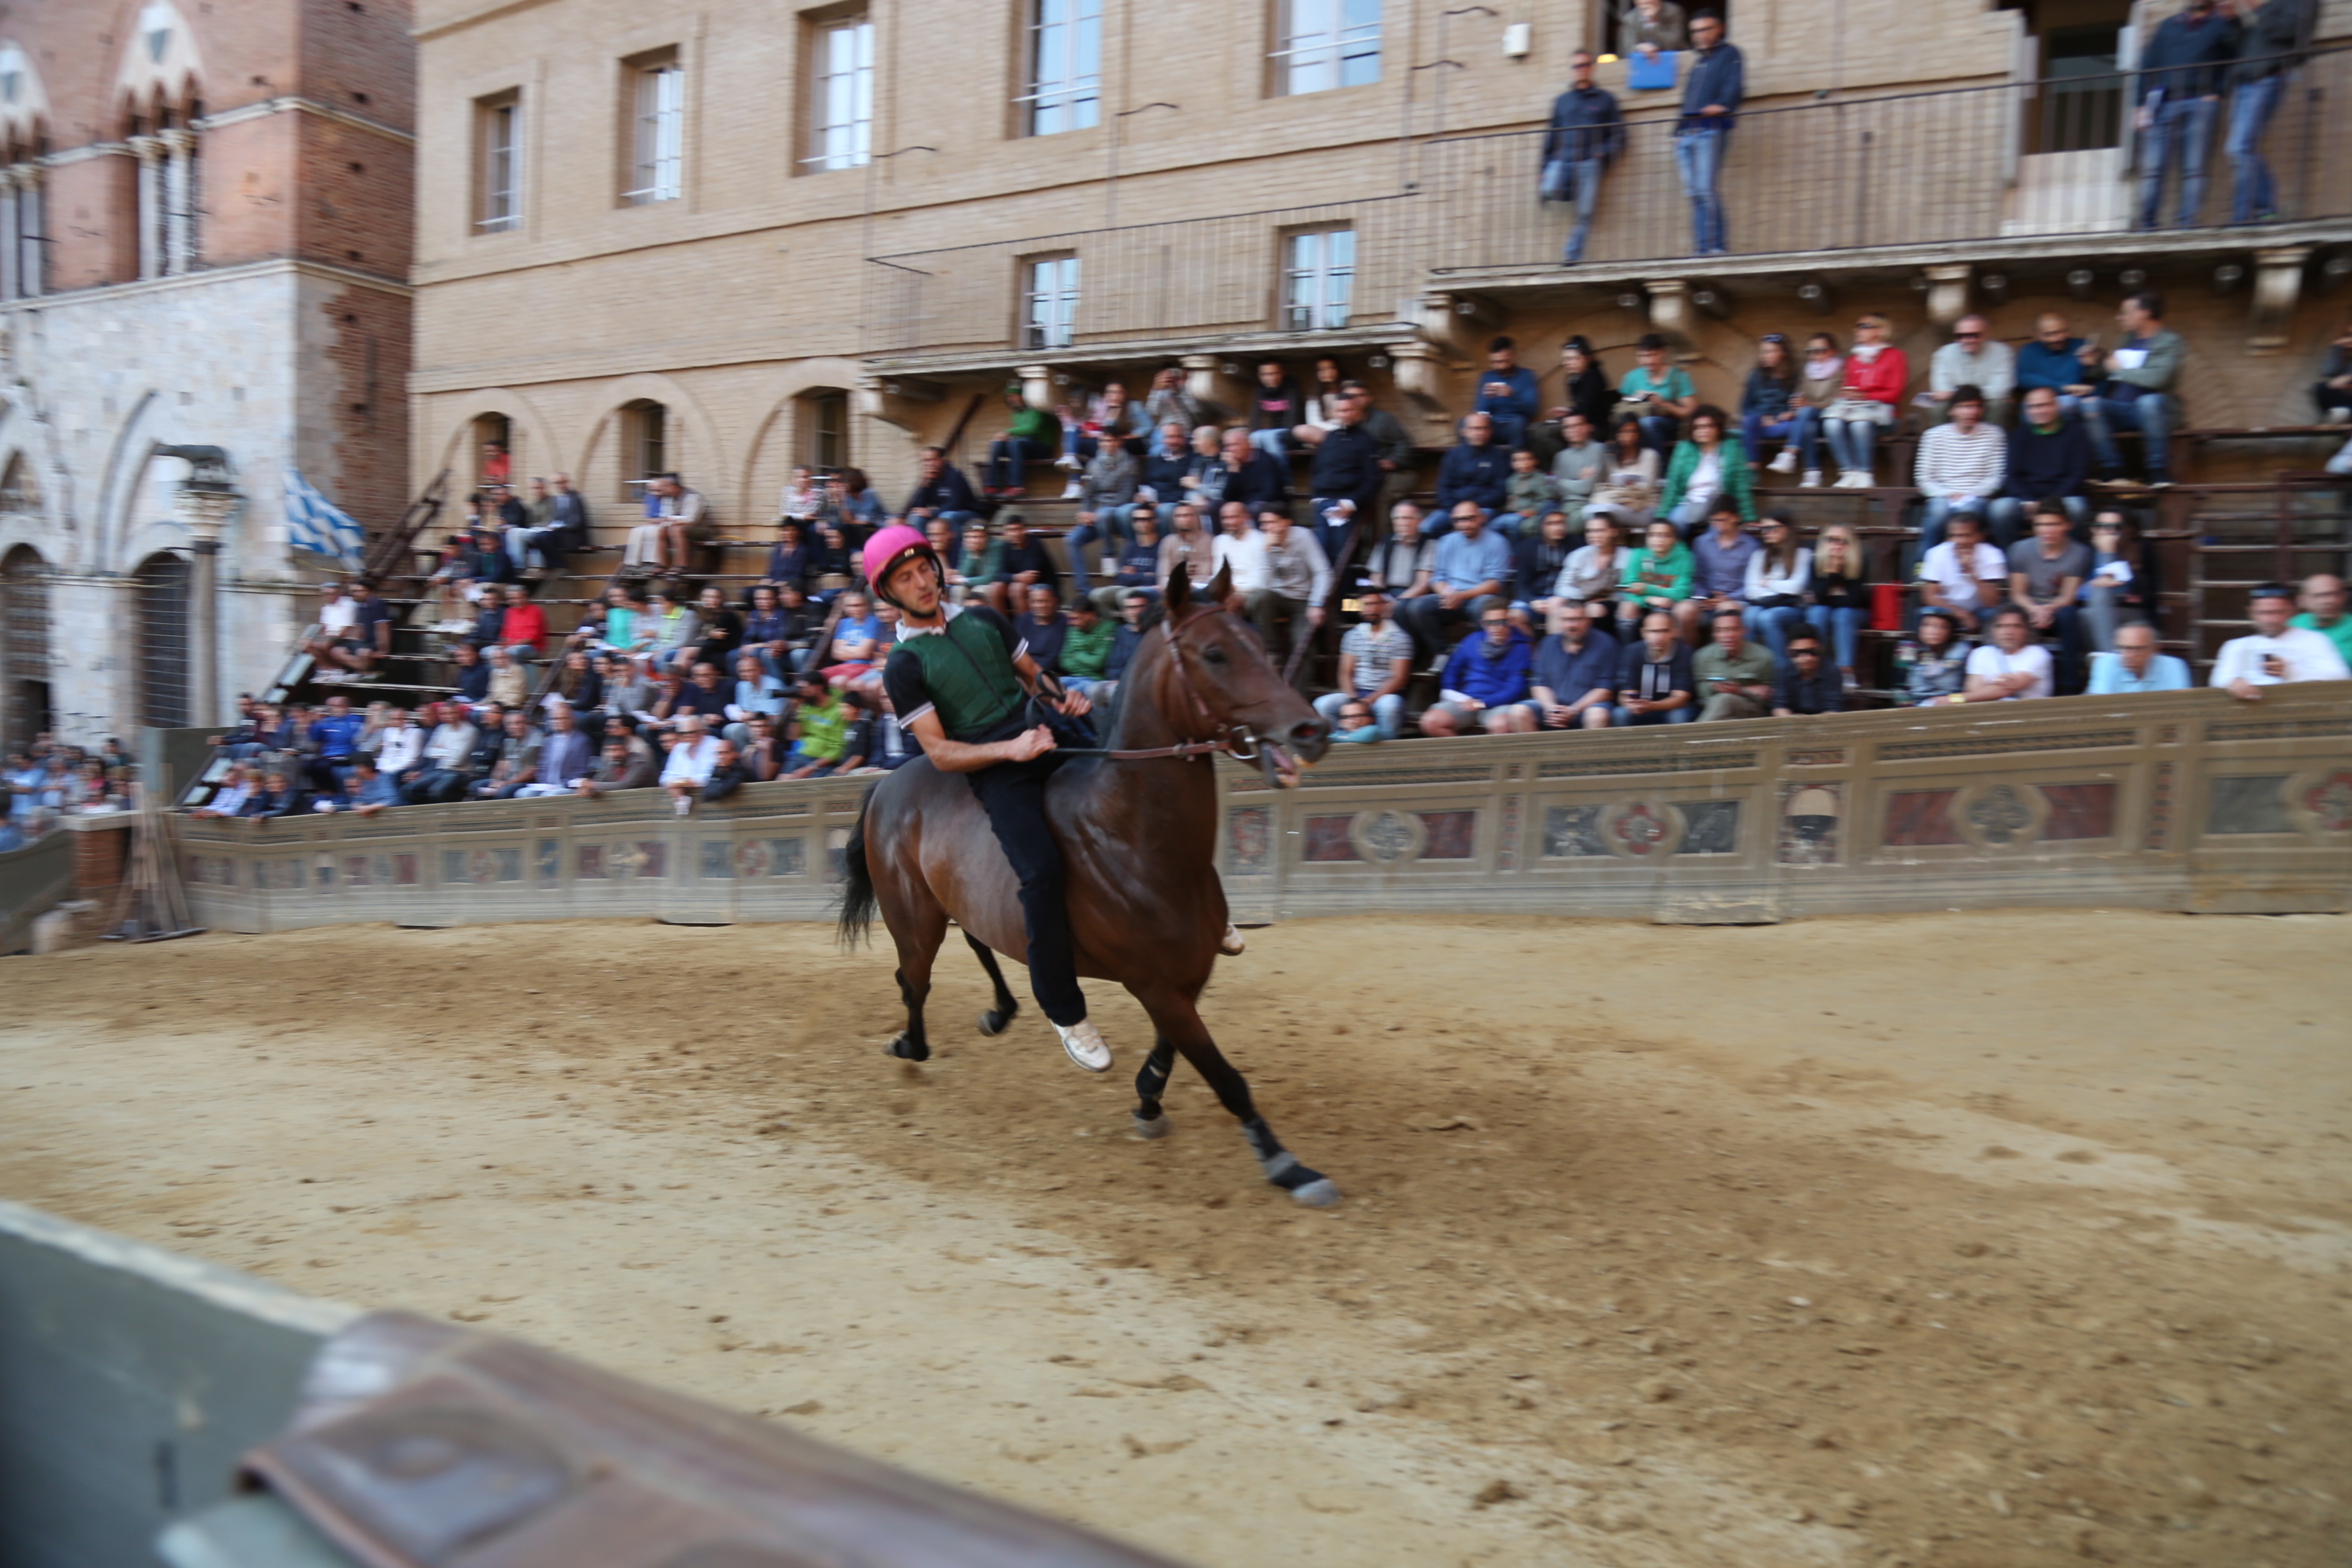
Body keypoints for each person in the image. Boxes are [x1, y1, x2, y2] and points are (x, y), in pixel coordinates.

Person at [866, 524, 1110, 1073]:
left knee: (1128, 787)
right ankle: (1065, 1011)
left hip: (1044, 734)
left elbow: (1032, 675)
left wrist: (1061, 698)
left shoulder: (984, 617)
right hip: (997, 769)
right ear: (890, 594)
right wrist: (1012, 750)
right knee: (1041, 874)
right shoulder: (903, 666)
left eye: (925, 569)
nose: (922, 583)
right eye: (906, 579)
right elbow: (940, 754)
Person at [2135, 0, 2241, 232]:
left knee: (2195, 168)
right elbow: (2147, 65)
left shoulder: (2221, 25)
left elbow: (2235, 59)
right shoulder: (2168, 26)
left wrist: (2218, 92)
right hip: (2164, 103)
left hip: (2201, 102)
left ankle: (2187, 223)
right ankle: (2146, 223)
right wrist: (2140, 105)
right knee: (2153, 168)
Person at [2078, 292, 2186, 487]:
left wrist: (2119, 370)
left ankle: (2157, 471)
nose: (2120, 317)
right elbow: (2111, 372)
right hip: (2121, 410)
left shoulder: (2170, 341)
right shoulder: (2126, 339)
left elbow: (2157, 379)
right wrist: (2094, 363)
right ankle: (2112, 469)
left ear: (2146, 313)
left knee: (2149, 401)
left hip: (2153, 413)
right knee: (2090, 405)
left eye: (2126, 312)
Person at [1394, 501, 1513, 663]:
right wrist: (1447, 594)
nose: (1464, 524)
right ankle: (1442, 652)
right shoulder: (1446, 541)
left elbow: (1496, 584)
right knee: (1416, 607)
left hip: (1481, 596)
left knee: (1483, 608)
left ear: (1482, 518)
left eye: (1470, 518)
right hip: (1452, 595)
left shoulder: (1497, 542)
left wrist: (1460, 596)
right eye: (1458, 520)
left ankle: (1484, 659)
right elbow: (1438, 577)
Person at [2227, 0, 2311, 226]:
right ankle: (2265, 208)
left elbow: (2289, 30)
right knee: (2238, 149)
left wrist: (2257, 9)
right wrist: (2232, 19)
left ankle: (2243, 216)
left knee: (2241, 147)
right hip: (2244, 81)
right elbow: (2238, 44)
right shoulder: (2265, 9)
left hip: (2267, 77)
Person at [1542, 53, 1624, 265]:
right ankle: (1565, 192)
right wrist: (1543, 167)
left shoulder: (1605, 99)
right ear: (1572, 70)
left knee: (1585, 212)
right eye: (1576, 66)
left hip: (1590, 162)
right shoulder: (1563, 101)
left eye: (1585, 65)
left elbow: (1619, 135)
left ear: (1592, 68)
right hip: (1563, 161)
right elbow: (1552, 134)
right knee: (1548, 190)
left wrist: (1603, 153)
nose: (1581, 69)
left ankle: (1572, 256)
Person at [1673, 10, 1742, 255]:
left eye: (1705, 29)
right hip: (1687, 134)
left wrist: (1723, 105)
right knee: (1695, 194)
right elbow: (1687, 100)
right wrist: (1677, 132)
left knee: (1705, 190)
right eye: (1695, 32)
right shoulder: (1699, 63)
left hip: (1711, 130)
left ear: (1719, 29)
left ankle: (1715, 248)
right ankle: (1703, 248)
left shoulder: (1730, 54)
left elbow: (1736, 87)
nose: (1700, 36)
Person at [2212, 581, 2352, 699]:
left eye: (2277, 612)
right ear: (2251, 613)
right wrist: (2233, 683)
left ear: (2291, 611)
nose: (2270, 620)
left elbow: (2340, 677)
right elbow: (2219, 679)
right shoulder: (2236, 646)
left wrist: (2289, 672)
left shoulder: (2315, 640)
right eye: (2263, 613)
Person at [1990, 385, 2093, 546]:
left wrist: (2051, 502)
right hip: (2027, 500)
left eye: (2044, 405)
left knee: (2078, 508)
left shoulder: (2076, 432)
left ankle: (2068, 553)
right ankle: (2012, 555)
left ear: (2057, 406)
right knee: (2000, 509)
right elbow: (2011, 475)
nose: (2039, 411)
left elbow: (2078, 474)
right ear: (2026, 411)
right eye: (2033, 407)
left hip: (2063, 497)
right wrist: (2027, 500)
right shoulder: (2020, 434)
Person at [1244, 508, 1331, 697]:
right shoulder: (1264, 542)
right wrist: (1265, 552)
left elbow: (1323, 572)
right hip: (1278, 597)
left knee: (1302, 645)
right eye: (1263, 524)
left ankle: (1298, 696)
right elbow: (1261, 585)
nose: (1266, 528)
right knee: (1258, 598)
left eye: (1271, 522)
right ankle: (1272, 650)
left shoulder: (1304, 537)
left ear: (1286, 522)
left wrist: (1317, 604)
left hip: (1304, 599)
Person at [2008, 502, 2093, 690]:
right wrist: (2034, 610)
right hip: (2028, 606)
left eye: (2054, 524)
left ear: (2068, 525)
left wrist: (2048, 609)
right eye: (2041, 525)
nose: (2047, 530)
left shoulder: (2080, 553)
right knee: (2006, 615)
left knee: (2069, 615)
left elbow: (2068, 596)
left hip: (2059, 608)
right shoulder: (2020, 549)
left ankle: (2069, 685)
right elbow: (2017, 593)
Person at [1915, 386, 2008, 550]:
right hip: (1943, 497)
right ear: (1952, 411)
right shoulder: (1933, 436)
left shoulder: (1995, 434)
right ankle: (1923, 562)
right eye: (1964, 407)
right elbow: (1923, 480)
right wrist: (1949, 495)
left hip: (1978, 498)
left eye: (1976, 406)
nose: (1971, 412)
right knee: (1939, 512)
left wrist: (1970, 495)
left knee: (1969, 512)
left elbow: (1997, 478)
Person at [1315, 586, 1413, 739]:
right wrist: (1353, 699)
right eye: (1365, 605)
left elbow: (1399, 678)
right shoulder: (1353, 635)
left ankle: (1388, 746)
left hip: (1384, 695)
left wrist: (1369, 701)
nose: (1370, 609)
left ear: (1384, 606)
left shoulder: (1401, 637)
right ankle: (1339, 743)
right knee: (1322, 704)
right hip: (1355, 692)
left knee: (1390, 706)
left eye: (1374, 604)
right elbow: (1345, 672)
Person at [1823, 313, 1909, 488]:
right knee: (1831, 423)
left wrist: (1866, 396)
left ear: (1880, 331)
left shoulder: (1895, 356)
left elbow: (1895, 394)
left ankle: (1865, 473)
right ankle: (1848, 472)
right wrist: (1847, 394)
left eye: (1863, 326)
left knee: (1860, 424)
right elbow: (1848, 387)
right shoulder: (1853, 359)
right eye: (1857, 326)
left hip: (1883, 414)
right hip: (1853, 408)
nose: (1857, 330)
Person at [1421, 604, 1533, 735]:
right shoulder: (1472, 640)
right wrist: (1458, 697)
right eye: (1491, 623)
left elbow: (1515, 689)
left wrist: (1483, 703)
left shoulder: (1521, 648)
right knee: (1430, 722)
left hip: (1499, 704)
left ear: (1509, 622)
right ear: (1483, 624)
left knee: (1502, 726)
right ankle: (1462, 750)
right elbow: (1451, 671)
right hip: (1466, 700)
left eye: (1502, 622)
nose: (1497, 627)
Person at [1303, 387, 1386, 564]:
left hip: (1347, 505)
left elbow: (1373, 478)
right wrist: (1316, 498)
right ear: (1335, 413)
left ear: (1357, 411)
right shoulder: (1330, 438)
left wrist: (1351, 503)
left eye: (1349, 410)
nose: (1345, 414)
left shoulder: (1366, 440)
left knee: (1343, 555)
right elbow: (1316, 468)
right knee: (1320, 555)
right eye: (1341, 411)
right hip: (1323, 503)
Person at [1526, 599, 1619, 731]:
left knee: (1597, 715)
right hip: (1553, 707)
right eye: (1567, 620)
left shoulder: (1606, 644)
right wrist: (1551, 709)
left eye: (1578, 619)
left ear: (1589, 621)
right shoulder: (1547, 644)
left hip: (1588, 707)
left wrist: (1574, 710)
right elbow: (1539, 684)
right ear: (1560, 622)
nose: (1572, 625)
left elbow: (1606, 690)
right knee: (1520, 711)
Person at [1659, 405, 1754, 532]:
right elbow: (1673, 486)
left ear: (1719, 428)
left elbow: (1740, 486)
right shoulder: (1683, 449)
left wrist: (1749, 517)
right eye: (1698, 427)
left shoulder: (1732, 449)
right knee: (1671, 529)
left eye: (1709, 426)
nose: (1703, 431)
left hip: (1719, 506)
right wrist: (1661, 517)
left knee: (1719, 533)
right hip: (1689, 503)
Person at [1915, 508, 2008, 637]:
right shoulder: (1936, 553)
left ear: (1980, 536)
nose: (1960, 541)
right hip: (1947, 610)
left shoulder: (1992, 555)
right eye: (1954, 536)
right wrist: (1961, 614)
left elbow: (1991, 602)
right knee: (1923, 615)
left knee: (1993, 615)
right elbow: (1929, 596)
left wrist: (1970, 572)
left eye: (1966, 536)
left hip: (1978, 612)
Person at [1805, 521, 1871, 693]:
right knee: (1818, 612)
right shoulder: (1815, 562)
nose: (1837, 545)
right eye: (1831, 540)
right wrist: (1833, 574)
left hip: (1856, 613)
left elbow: (1854, 601)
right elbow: (1819, 599)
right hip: (1827, 610)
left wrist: (1829, 596)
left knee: (1842, 615)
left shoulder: (1859, 562)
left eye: (1843, 541)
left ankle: (1845, 672)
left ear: (1851, 545)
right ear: (1824, 542)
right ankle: (1814, 667)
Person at [1742, 510, 1812, 662]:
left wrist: (1768, 583)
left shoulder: (1803, 554)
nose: (1766, 533)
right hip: (1764, 604)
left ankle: (1781, 667)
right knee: (1749, 616)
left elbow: (1797, 588)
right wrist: (1781, 590)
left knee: (1768, 618)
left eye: (1771, 528)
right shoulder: (1759, 555)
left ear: (1787, 529)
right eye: (1763, 529)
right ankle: (1752, 665)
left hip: (1792, 607)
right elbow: (1750, 591)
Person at [1925, 316, 2017, 427]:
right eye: (1960, 336)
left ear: (1986, 334)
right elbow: (1941, 389)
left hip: (1987, 401)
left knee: (1998, 404)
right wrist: (1958, 398)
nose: (1967, 340)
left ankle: (1992, 438)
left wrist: (1954, 394)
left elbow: (2001, 389)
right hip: (1958, 402)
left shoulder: (2002, 352)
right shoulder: (1943, 354)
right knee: (1938, 407)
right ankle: (1940, 438)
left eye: (1974, 335)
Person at [1690, 603, 1776, 720]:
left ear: (1743, 631)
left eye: (1733, 630)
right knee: (1722, 700)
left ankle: (1696, 732)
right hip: (1715, 710)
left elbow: (1770, 698)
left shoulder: (1764, 656)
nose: (1727, 636)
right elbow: (1702, 694)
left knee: (1726, 699)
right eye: (1721, 631)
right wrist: (1714, 687)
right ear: (1714, 634)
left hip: (1751, 712)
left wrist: (1741, 691)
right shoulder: (1702, 657)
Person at [1685, 498, 1758, 636]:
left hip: (1737, 600)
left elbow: (1751, 584)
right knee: (1683, 611)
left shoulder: (1751, 546)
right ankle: (1688, 649)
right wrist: (1702, 597)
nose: (1718, 525)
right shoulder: (1701, 543)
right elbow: (1697, 576)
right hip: (1707, 599)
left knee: (1726, 611)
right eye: (1714, 521)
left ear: (1736, 518)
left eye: (1723, 520)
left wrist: (1729, 598)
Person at [1615, 517, 1693, 642]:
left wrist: (1647, 589)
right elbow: (1627, 587)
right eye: (1653, 535)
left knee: (1686, 610)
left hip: (1672, 603)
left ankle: (1684, 651)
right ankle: (1629, 650)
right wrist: (1648, 599)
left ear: (1674, 539)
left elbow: (1682, 593)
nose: (1659, 540)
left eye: (1665, 536)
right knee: (1627, 608)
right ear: (1647, 538)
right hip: (1647, 602)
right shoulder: (1638, 553)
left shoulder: (1684, 556)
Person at [1613, 608, 1696, 725]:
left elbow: (1681, 698)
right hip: (1642, 709)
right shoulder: (1632, 652)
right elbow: (1625, 693)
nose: (1659, 637)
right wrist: (1631, 704)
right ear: (1643, 633)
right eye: (1653, 632)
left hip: (1672, 709)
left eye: (1664, 631)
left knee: (1679, 716)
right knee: (1620, 714)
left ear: (1675, 632)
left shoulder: (1685, 653)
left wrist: (1652, 706)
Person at [1617, 334, 1696, 453]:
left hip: (1670, 425)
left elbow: (1690, 413)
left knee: (1648, 423)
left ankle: (1657, 463)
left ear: (1663, 353)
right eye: (1643, 356)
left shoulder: (1679, 376)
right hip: (1637, 426)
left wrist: (1663, 404)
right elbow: (1623, 411)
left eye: (1653, 355)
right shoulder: (1631, 377)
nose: (1649, 361)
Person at [1433, 414, 1512, 533]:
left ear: (1490, 431)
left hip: (1484, 509)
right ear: (1464, 432)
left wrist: (1472, 508)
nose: (1480, 433)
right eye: (1475, 429)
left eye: (1484, 428)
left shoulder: (1499, 456)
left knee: (1481, 523)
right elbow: (1443, 487)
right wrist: (1455, 509)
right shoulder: (1453, 456)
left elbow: (1500, 491)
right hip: (1453, 508)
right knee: (1428, 527)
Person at [1744, 334, 1809, 477]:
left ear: (1783, 353)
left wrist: (1788, 414)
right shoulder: (1755, 376)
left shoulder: (1794, 377)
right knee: (1749, 422)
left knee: (1801, 426)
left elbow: (1797, 403)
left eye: (1771, 351)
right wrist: (1761, 419)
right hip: (1758, 425)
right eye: (1764, 352)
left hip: (1782, 425)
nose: (1766, 356)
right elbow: (1746, 406)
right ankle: (1752, 470)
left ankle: (1787, 458)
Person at [984, 383, 1060, 497]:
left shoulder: (1037, 408)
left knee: (1016, 444)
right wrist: (1007, 438)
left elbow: (1032, 428)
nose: (1011, 399)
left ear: (1023, 396)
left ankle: (1016, 487)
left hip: (1043, 447)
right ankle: (992, 486)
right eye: (1009, 397)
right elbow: (1021, 435)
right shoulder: (1016, 414)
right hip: (1023, 446)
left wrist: (1008, 433)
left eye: (1014, 396)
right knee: (997, 444)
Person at [2087, 621, 2193, 694]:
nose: (2129, 655)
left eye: (2138, 649)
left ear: (2155, 650)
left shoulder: (2173, 666)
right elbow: (2100, 708)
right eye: (2124, 648)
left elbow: (2181, 707)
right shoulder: (2106, 663)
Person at [2016, 314, 2092, 414]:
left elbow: (2098, 377)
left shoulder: (2081, 346)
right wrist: (2063, 388)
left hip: (2075, 401)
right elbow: (2023, 379)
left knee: (2069, 403)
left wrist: (2093, 365)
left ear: (2067, 331)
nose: (2056, 339)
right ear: (2037, 335)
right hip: (2039, 402)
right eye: (2048, 335)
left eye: (2060, 332)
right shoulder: (2029, 351)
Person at [1473, 337, 1541, 450]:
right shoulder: (1486, 377)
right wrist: (1486, 398)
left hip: (1514, 425)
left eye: (1503, 361)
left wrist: (1513, 396)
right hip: (1492, 426)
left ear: (1512, 357)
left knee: (1518, 423)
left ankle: (1517, 459)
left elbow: (1532, 410)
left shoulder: (1526, 376)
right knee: (1465, 424)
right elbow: (1479, 411)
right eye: (1495, 362)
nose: (1500, 366)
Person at [1902, 609, 1971, 705]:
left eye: (1944, 627)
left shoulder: (1961, 651)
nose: (1935, 631)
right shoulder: (1908, 648)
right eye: (1927, 625)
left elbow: (1968, 694)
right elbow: (1899, 687)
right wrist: (1906, 710)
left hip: (1952, 705)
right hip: (1913, 707)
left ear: (1951, 631)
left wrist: (1952, 701)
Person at [1497, 449, 1566, 543]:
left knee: (1514, 524)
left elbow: (1547, 500)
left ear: (1535, 461)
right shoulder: (1511, 480)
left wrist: (1533, 511)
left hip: (1529, 513)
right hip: (1513, 512)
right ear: (1513, 464)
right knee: (1495, 525)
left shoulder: (1540, 479)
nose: (1523, 463)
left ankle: (1517, 548)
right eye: (1518, 460)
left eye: (1527, 459)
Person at [474, 710, 544, 800]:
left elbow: (531, 772)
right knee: (479, 787)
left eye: (519, 723)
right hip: (509, 780)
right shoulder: (509, 740)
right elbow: (501, 766)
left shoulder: (535, 742)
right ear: (506, 727)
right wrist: (496, 782)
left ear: (526, 723)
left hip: (527, 782)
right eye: (510, 724)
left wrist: (507, 783)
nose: (515, 727)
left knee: (503, 792)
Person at [904, 446, 980, 528]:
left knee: (946, 517)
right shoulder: (930, 478)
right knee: (916, 517)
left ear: (942, 460)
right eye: (926, 461)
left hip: (968, 513)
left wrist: (933, 513)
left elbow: (955, 504)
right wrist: (924, 485)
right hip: (943, 513)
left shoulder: (955, 476)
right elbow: (916, 507)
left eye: (933, 460)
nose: (929, 464)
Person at [1772, 630, 1844, 716]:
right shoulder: (1784, 670)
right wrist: (1792, 720)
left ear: (1820, 649)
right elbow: (1779, 706)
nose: (1806, 658)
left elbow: (1833, 709)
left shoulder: (1831, 671)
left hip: (1824, 721)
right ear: (1789, 652)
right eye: (1798, 653)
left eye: (1812, 652)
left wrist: (1811, 722)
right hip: (1792, 721)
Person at [659, 715, 722, 813]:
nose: (688, 736)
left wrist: (678, 782)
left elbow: (710, 778)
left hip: (715, 801)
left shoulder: (716, 745)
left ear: (703, 731)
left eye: (693, 732)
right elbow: (665, 778)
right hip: (688, 806)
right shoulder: (679, 748)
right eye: (684, 733)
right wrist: (681, 782)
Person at [1549, 411, 1610, 509]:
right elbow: (1555, 491)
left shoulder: (1599, 450)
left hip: (1592, 504)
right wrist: (1578, 481)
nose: (1574, 430)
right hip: (1565, 504)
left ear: (1589, 427)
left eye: (1579, 425)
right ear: (1564, 432)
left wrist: (1562, 482)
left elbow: (1588, 487)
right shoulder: (1561, 456)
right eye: (1568, 427)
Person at [1245, 362, 1307, 459]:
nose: (1270, 378)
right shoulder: (1259, 392)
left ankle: (1279, 469)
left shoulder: (1291, 389)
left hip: (1291, 434)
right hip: (1271, 434)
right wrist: (1252, 434)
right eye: (1265, 375)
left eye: (1274, 373)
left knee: (1270, 437)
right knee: (1254, 437)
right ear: (1260, 376)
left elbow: (1293, 419)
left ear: (1282, 374)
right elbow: (1255, 418)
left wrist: (1288, 439)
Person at [2290, 572, 2352, 665]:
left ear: (2344, 598)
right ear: (2302, 601)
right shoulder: (2293, 624)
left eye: (2335, 595)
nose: (2329, 601)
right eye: (2319, 596)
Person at [2312, 316, 2352, 424]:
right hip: (2344, 395)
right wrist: (2336, 348)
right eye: (2349, 335)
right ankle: (2335, 418)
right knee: (2322, 388)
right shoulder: (2343, 352)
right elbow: (2328, 371)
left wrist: (2348, 378)